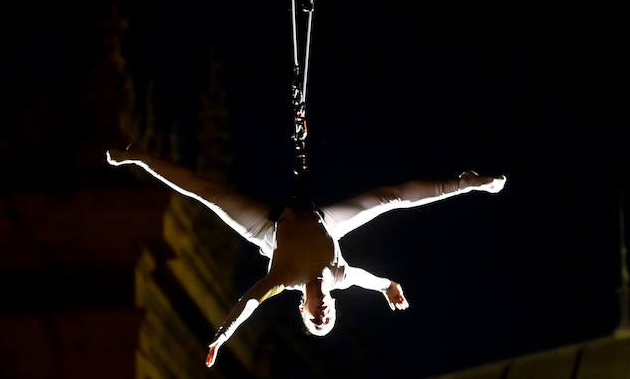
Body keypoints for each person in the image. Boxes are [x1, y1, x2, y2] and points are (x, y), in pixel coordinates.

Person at [106, 146, 506, 366]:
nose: (323, 316)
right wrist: (389, 287)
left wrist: (222, 337)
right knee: (390, 198)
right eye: (327, 320)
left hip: (268, 228)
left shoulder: (282, 279)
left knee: (206, 193)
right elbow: (371, 279)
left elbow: (247, 304)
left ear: (303, 309)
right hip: (324, 222)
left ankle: (138, 156)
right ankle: (467, 183)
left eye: (315, 320)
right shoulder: (338, 276)